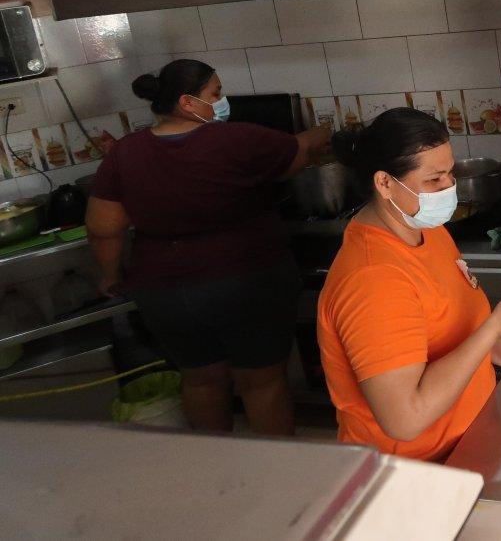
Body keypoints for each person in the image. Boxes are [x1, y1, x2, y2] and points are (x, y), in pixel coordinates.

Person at [86, 59, 330, 435]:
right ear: (187, 102)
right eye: (215, 93)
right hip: (246, 280)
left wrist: (112, 275)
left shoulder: (125, 152)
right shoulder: (235, 139)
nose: (222, 100)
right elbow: (296, 152)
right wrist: (323, 132)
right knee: (261, 381)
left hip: (164, 291)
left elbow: (104, 228)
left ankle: (215, 469)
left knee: (200, 380)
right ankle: (281, 475)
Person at [317, 108, 501, 462]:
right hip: (418, 471)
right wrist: (498, 323)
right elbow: (405, 419)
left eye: (451, 174)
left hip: (467, 441)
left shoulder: (426, 231)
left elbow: (455, 329)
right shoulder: (373, 280)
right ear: (384, 183)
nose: (449, 188)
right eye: (433, 180)